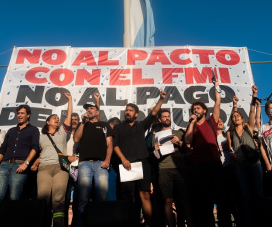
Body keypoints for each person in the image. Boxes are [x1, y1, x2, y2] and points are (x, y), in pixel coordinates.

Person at [113, 90, 166, 227]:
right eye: (126, 110)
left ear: (136, 114)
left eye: (130, 110)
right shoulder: (119, 127)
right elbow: (115, 146)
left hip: (143, 163)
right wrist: (124, 160)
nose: (127, 112)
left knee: (145, 195)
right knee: (128, 196)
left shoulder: (141, 125)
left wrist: (161, 99)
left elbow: (153, 113)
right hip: (126, 164)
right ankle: (129, 222)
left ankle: (148, 224)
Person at [184, 80, 230, 227]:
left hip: (214, 164)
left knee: (222, 196)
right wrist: (191, 123)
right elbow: (187, 141)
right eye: (194, 109)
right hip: (198, 166)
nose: (195, 110)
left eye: (198, 108)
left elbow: (218, 101)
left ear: (204, 110)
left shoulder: (212, 121)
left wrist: (216, 86)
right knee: (204, 200)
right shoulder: (191, 125)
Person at [0, 104, 40, 224]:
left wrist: (26, 163)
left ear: (28, 115)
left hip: (19, 166)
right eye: (18, 113)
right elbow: (2, 149)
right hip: (4, 165)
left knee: (14, 198)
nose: (19, 115)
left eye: (22, 113)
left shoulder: (33, 130)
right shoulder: (11, 130)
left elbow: (35, 148)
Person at [30, 92, 72, 227]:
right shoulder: (41, 136)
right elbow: (41, 152)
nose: (57, 119)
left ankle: (58, 224)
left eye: (57, 118)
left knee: (59, 200)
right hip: (44, 169)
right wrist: (36, 163)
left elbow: (69, 115)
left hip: (61, 169)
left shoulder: (62, 132)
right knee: (43, 199)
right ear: (47, 122)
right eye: (54, 118)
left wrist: (70, 100)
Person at [73, 93, 113, 227]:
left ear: (97, 111)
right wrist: (82, 123)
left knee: (102, 197)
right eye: (87, 108)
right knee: (83, 198)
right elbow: (76, 139)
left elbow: (110, 144)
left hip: (101, 165)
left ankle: (100, 223)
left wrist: (107, 160)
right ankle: (80, 223)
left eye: (92, 108)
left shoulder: (104, 124)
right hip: (85, 164)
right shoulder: (82, 124)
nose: (89, 110)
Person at [226, 85, 263, 227]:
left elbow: (252, 110)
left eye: (238, 116)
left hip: (254, 163)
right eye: (233, 116)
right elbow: (229, 148)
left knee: (258, 194)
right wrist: (231, 154)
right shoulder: (230, 133)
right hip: (239, 166)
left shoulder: (249, 126)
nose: (235, 117)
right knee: (244, 195)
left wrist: (254, 95)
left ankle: (261, 220)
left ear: (242, 119)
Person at [152, 109, 193, 227]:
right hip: (164, 169)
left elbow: (187, 151)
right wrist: (155, 149)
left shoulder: (179, 133)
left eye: (168, 116)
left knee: (185, 200)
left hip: (180, 169)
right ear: (159, 120)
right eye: (164, 116)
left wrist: (180, 142)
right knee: (167, 200)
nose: (167, 118)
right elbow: (156, 157)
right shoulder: (156, 136)